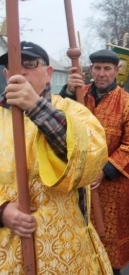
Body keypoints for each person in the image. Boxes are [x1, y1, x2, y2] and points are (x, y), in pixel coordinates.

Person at [0, 41, 113, 274]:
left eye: (30, 64)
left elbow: (89, 161)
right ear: (6, 74)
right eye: (13, 65)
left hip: (66, 252)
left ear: (49, 73)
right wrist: (1, 211)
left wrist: (35, 107)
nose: (21, 71)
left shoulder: (73, 111)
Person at [60, 49, 129, 275]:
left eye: (107, 69)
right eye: (98, 68)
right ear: (91, 70)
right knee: (81, 245)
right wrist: (67, 93)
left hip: (115, 186)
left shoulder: (128, 103)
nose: (102, 74)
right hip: (79, 183)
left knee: (111, 247)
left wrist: (103, 171)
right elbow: (58, 120)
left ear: (116, 71)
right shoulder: (79, 94)